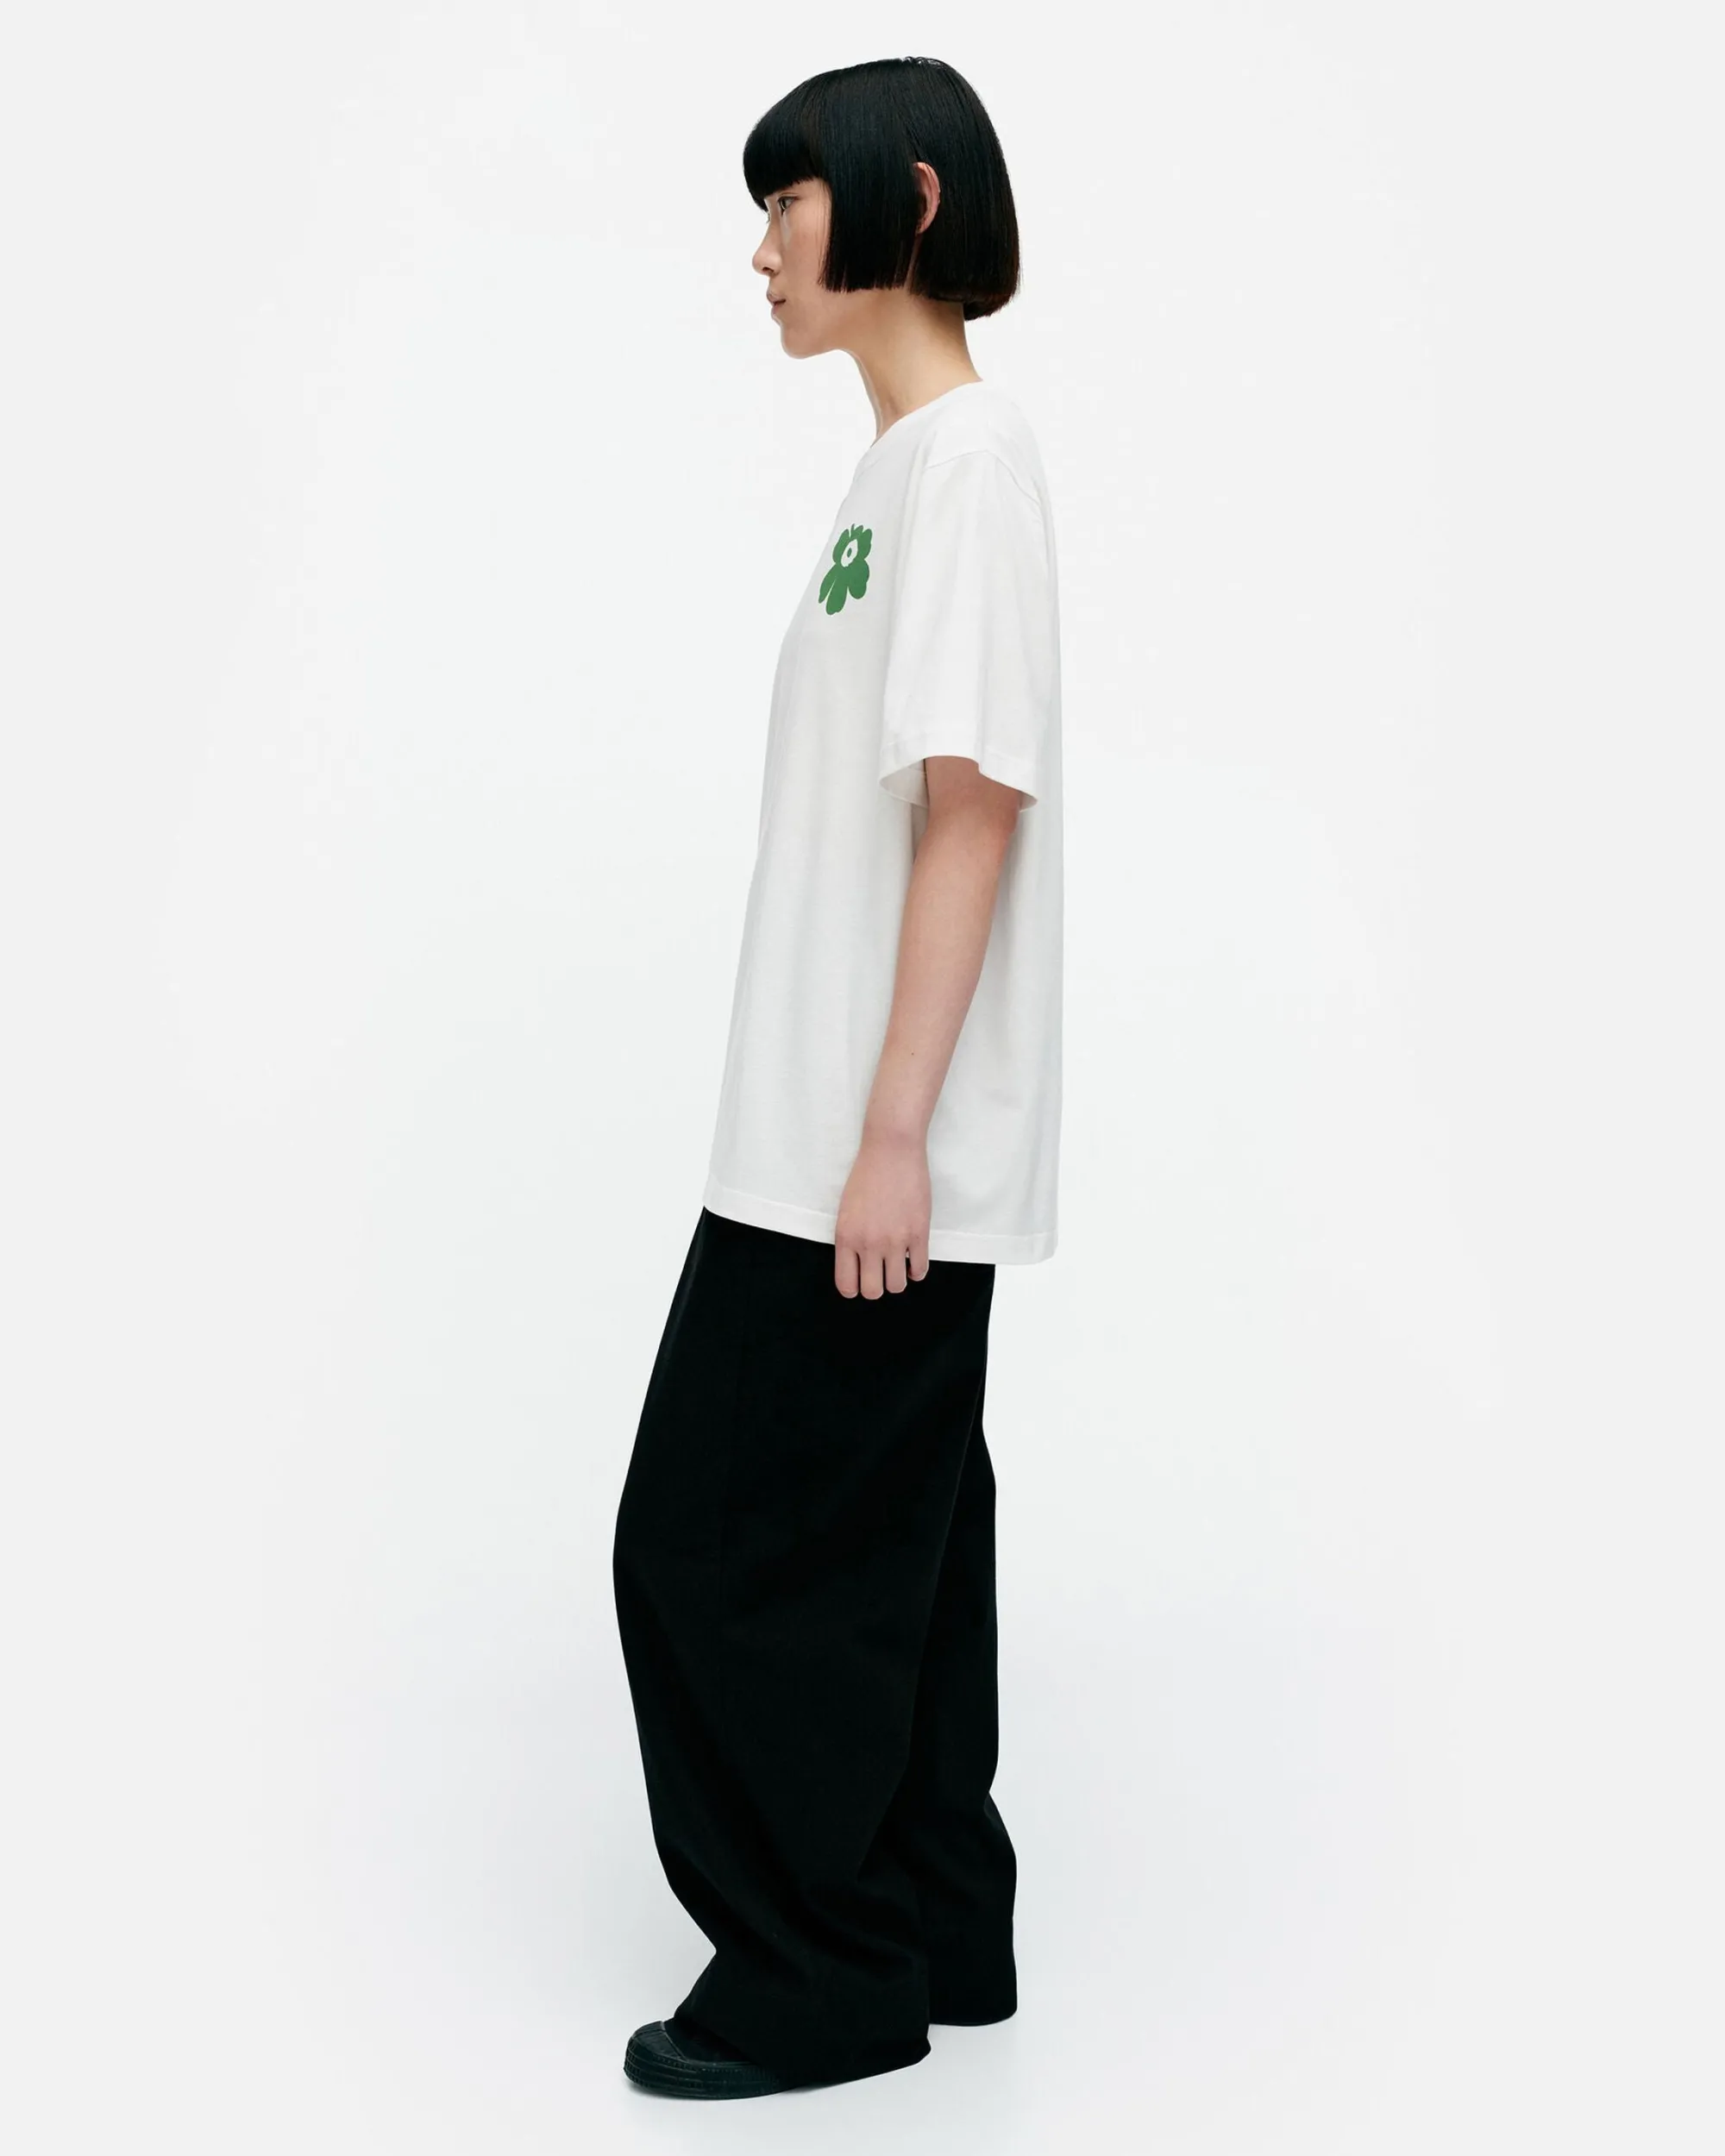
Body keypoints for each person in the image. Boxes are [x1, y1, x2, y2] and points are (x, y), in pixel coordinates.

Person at [612, 54, 1063, 2099]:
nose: (762, 251)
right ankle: (936, 1919)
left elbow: (973, 808)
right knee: (903, 1540)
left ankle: (817, 1973)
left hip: (853, 1156)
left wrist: (888, 1138)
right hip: (832, 1132)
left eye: (786, 204)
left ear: (905, 201)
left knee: (704, 1552)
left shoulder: (965, 459)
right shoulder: (903, 470)